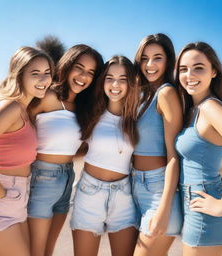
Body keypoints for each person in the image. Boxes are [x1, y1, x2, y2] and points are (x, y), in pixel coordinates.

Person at [0, 46, 53, 256]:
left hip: (17, 201)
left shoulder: (25, 111)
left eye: (47, 73)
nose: (43, 79)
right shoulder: (11, 108)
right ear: (19, 76)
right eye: (35, 73)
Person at [27, 44, 104, 256]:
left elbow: (73, 147)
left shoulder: (83, 107)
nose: (83, 76)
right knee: (36, 251)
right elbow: (17, 126)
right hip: (42, 176)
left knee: (48, 251)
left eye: (90, 72)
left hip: (68, 177)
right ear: (67, 65)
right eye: (78, 67)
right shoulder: (46, 96)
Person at [70, 56, 139, 256]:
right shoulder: (89, 112)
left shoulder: (136, 117)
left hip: (124, 196)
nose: (115, 84)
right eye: (109, 78)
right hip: (89, 192)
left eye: (123, 79)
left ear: (131, 83)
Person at [175, 42, 222, 256]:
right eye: (183, 69)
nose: (189, 74)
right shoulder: (195, 109)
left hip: (206, 205)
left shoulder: (210, 108)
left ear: (214, 71)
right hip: (193, 202)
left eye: (198, 67)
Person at [132, 33, 183, 256]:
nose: (150, 65)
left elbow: (174, 156)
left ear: (168, 60)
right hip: (134, 186)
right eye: (144, 58)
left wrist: (164, 208)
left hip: (158, 190)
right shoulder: (141, 94)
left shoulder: (167, 93)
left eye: (157, 58)